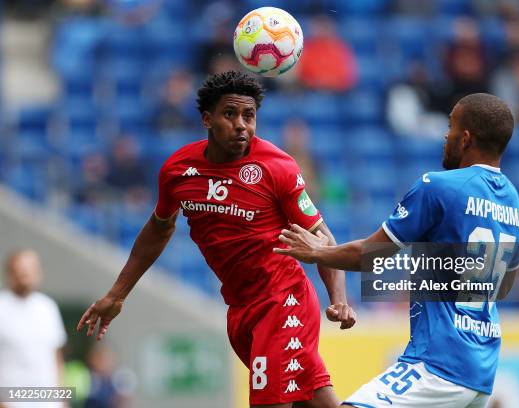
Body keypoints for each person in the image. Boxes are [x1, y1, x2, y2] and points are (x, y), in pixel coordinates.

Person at [77, 71, 356, 408]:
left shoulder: (277, 167)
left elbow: (320, 237)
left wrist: (338, 298)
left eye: (249, 116)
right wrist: (116, 294)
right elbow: (158, 228)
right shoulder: (178, 171)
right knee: (316, 401)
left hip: (284, 301)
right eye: (230, 114)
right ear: (207, 119)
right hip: (240, 310)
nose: (241, 125)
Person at [275, 93, 519, 408]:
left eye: (450, 126)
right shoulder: (513, 200)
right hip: (482, 368)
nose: (445, 136)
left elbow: (370, 255)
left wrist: (315, 252)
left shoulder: (439, 187)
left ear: (466, 138)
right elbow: (505, 285)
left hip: (439, 363)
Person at [0, 249, 67, 408]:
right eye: (21, 270)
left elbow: (56, 357)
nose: (26, 275)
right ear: (10, 273)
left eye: (31, 269)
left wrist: (63, 399)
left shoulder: (48, 307)